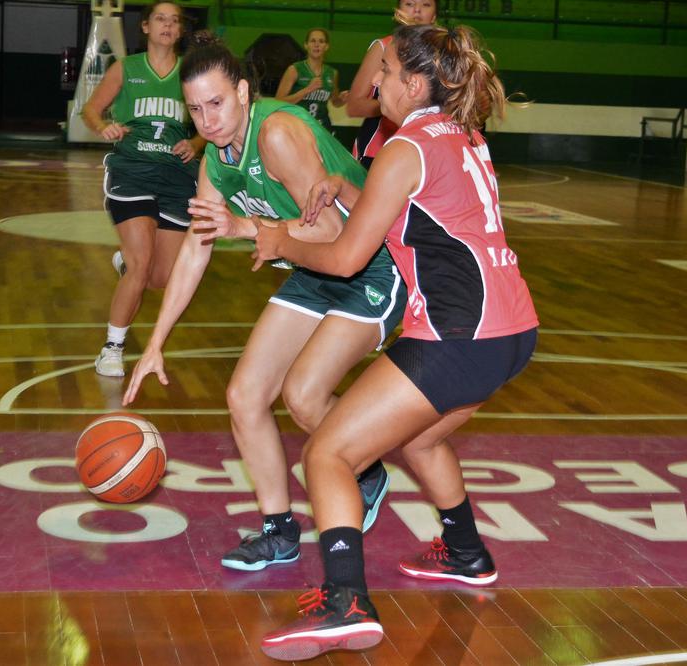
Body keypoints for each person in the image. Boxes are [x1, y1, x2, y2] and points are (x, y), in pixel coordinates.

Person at [254, 24, 539, 660]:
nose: (372, 82)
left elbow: (350, 257)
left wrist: (281, 243)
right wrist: (347, 189)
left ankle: (345, 602)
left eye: (381, 70)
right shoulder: (460, 134)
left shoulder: (406, 146)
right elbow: (414, 210)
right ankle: (466, 552)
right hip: (512, 330)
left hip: (458, 334)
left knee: (327, 453)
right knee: (422, 434)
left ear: (414, 82)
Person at [122, 37, 407, 573]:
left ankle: (363, 470)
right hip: (310, 264)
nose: (207, 120)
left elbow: (328, 228)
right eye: (196, 108)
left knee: (302, 395)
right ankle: (279, 530)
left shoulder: (276, 133)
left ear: (244, 92)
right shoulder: (216, 159)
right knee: (244, 395)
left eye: (218, 103)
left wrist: (245, 226)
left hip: (370, 261)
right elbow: (195, 249)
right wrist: (156, 343)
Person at [81, 2, 205, 378]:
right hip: (132, 172)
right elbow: (90, 111)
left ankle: (127, 262)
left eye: (175, 20)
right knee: (140, 267)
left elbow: (212, 122)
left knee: (160, 278)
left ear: (180, 30)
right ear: (147, 27)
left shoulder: (192, 73)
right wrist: (103, 127)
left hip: (177, 177)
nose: (168, 25)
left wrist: (196, 143)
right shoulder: (126, 68)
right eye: (160, 19)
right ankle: (112, 349)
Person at [345, 0, 437, 169]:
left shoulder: (440, 53)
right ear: (398, 12)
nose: (416, 10)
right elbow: (354, 106)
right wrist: (402, 106)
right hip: (377, 150)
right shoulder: (384, 47)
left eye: (425, 4)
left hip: (424, 148)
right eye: (409, 4)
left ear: (435, 16)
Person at [274, 28, 348, 133]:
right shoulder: (294, 69)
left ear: (326, 46)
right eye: (313, 41)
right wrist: (307, 90)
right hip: (298, 125)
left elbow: (335, 102)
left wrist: (342, 99)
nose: (316, 45)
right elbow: (278, 101)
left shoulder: (332, 73)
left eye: (321, 41)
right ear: (306, 45)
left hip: (322, 127)